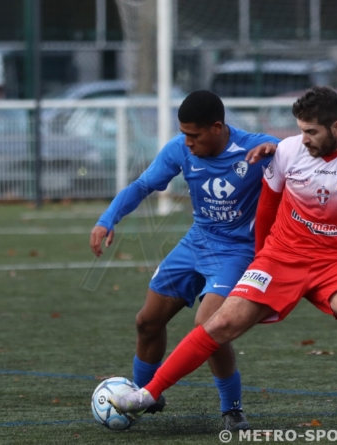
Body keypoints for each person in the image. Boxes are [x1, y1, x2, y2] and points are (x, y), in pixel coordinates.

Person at [109, 86, 337, 439]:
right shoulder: (287, 151)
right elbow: (268, 205)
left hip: (336, 261)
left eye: (311, 132)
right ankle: (148, 393)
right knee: (220, 323)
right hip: (281, 258)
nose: (303, 139)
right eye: (300, 130)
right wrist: (262, 256)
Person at [90, 90, 279, 431]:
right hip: (196, 243)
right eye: (184, 134)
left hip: (236, 253)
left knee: (208, 330)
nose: (187, 142)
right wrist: (108, 218)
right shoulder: (180, 149)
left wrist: (282, 150)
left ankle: (232, 409)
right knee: (147, 322)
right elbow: (143, 185)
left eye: (194, 135)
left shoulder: (255, 149)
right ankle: (146, 393)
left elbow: (304, 157)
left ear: (218, 128)